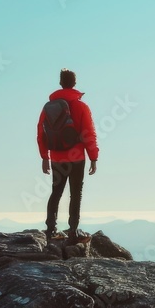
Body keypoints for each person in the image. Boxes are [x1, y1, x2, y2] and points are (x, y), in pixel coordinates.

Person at [37, 68, 98, 245]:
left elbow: (41, 133)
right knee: (75, 193)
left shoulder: (48, 107)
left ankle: (50, 230)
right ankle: (73, 231)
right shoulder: (81, 106)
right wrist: (93, 157)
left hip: (57, 158)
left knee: (56, 192)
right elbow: (88, 133)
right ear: (74, 83)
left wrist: (44, 157)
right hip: (77, 157)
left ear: (60, 83)